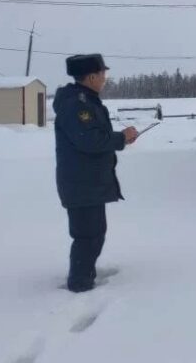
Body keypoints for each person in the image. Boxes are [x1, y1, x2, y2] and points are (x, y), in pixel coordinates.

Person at [53, 54, 138, 292]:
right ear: (92, 76)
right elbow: (88, 140)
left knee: (94, 234)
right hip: (82, 184)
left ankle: (84, 276)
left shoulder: (85, 101)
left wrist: (120, 139)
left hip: (88, 182)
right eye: (102, 74)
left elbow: (92, 138)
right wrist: (122, 138)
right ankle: (79, 285)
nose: (104, 78)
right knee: (87, 236)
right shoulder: (77, 104)